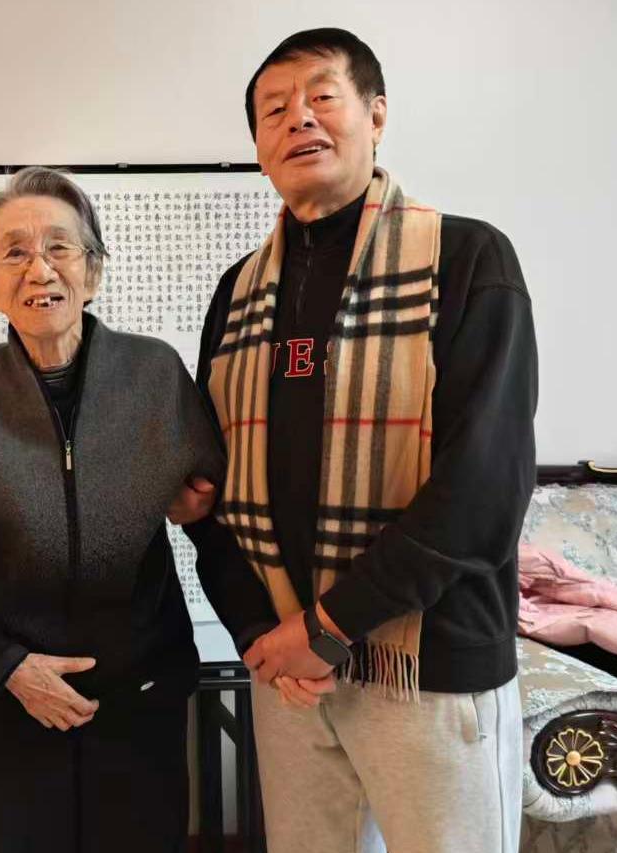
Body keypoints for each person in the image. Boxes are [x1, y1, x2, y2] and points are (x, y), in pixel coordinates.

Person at [175, 28, 538, 853]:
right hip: (287, 670)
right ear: (258, 148)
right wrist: (259, 634)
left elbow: (482, 490)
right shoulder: (238, 292)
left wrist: (331, 626)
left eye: (320, 97)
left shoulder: (464, 258)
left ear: (375, 116)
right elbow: (208, 485)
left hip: (427, 661)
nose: (297, 119)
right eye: (274, 109)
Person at [0, 166, 225, 853]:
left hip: (140, 689)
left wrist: (263, 631)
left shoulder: (155, 374)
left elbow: (213, 513)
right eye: (14, 253)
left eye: (60, 246)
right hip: (7, 695)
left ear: (94, 270)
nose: (40, 269)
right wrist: (4, 665)